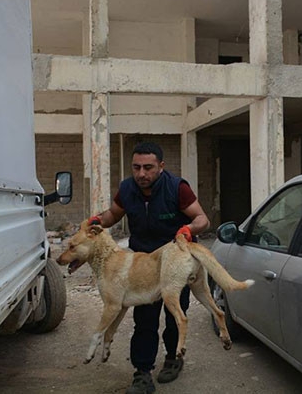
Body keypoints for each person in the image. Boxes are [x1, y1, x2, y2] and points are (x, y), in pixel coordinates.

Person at [87, 141, 210, 394]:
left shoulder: (177, 188)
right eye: (136, 167)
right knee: (144, 319)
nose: (141, 173)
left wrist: (189, 229)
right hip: (144, 261)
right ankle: (142, 372)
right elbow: (113, 214)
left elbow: (202, 219)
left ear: (161, 166)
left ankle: (173, 359)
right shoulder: (127, 188)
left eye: (148, 167)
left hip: (175, 261)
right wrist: (98, 220)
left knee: (175, 314)